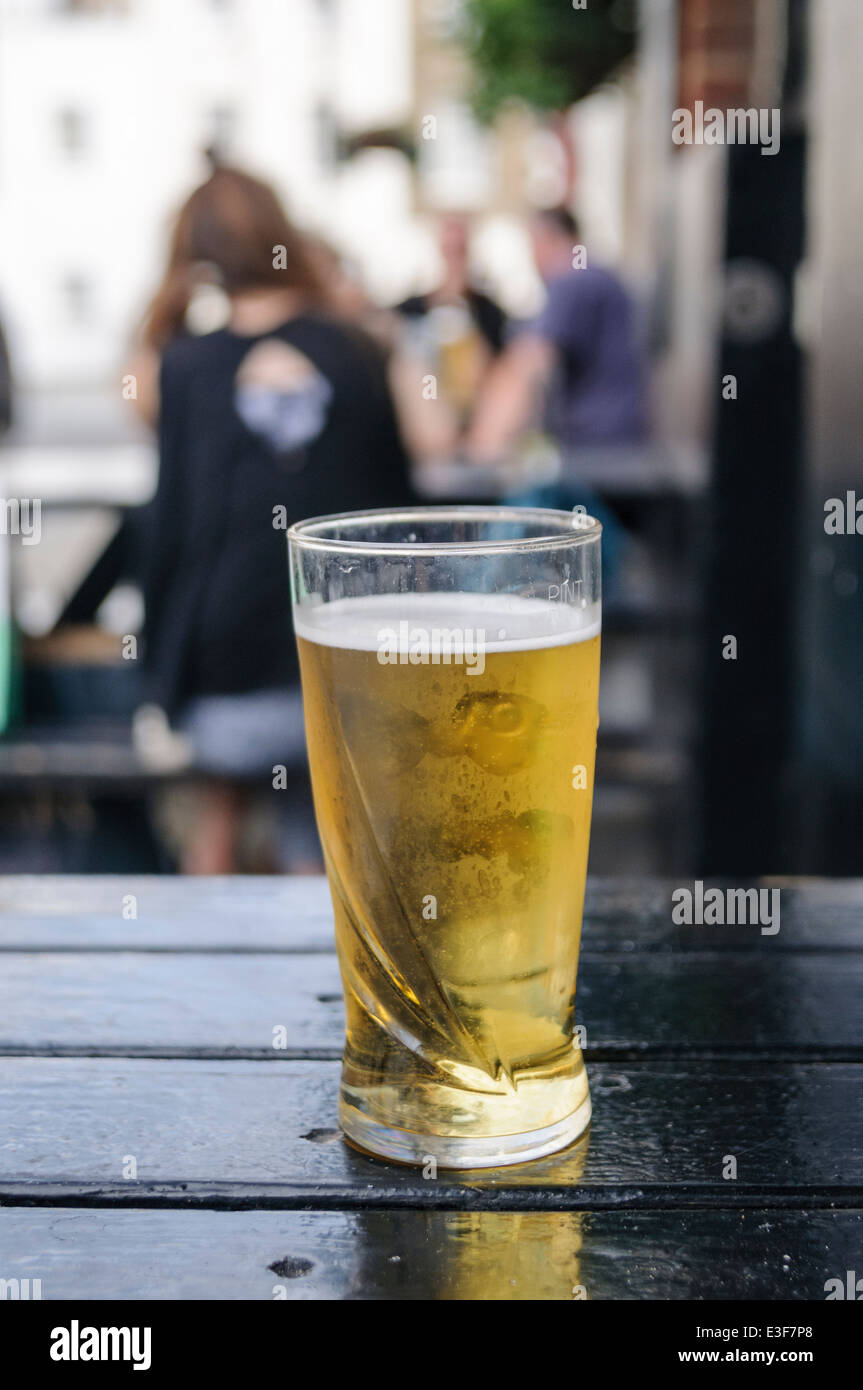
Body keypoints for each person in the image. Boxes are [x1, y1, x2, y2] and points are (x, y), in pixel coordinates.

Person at [135, 162, 414, 873]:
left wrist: (159, 680)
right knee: (321, 846)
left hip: (226, 648)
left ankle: (202, 983)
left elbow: (170, 525)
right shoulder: (355, 348)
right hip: (341, 642)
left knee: (216, 825)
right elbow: (396, 498)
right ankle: (321, 986)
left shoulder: (187, 365)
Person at [391, 214, 508, 467]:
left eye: (460, 249)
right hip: (427, 423)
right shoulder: (411, 308)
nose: (455, 255)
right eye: (450, 247)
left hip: (477, 420)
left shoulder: (489, 312)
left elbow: (501, 369)